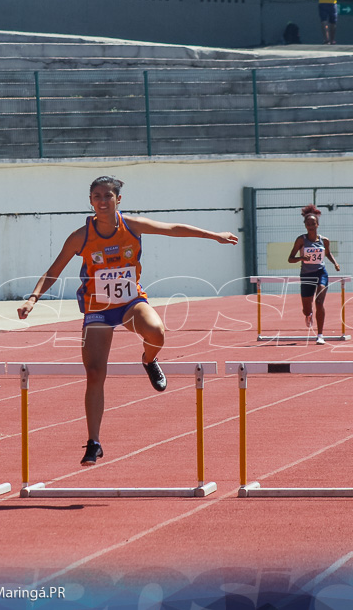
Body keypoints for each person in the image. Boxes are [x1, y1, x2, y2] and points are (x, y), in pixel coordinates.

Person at [17, 176, 239, 466]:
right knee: (95, 373)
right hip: (97, 308)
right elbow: (54, 269)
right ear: (91, 201)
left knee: (157, 333)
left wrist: (213, 235)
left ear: (118, 200)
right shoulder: (80, 236)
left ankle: (148, 360)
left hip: (130, 304)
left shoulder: (132, 226)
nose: (102, 201)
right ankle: (94, 442)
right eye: (96, 196)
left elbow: (172, 229)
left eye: (107, 196)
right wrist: (33, 299)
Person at [287, 204, 340, 344]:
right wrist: (301, 258)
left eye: (313, 223)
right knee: (306, 309)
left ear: (318, 224)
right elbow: (290, 259)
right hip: (306, 275)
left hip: (321, 273)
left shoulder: (325, 240)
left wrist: (335, 263)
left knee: (319, 301)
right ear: (305, 225)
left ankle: (320, 335)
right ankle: (308, 315)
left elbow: (327, 253)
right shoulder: (301, 240)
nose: (311, 226)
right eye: (308, 223)